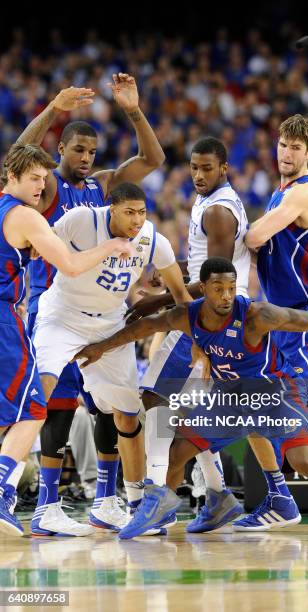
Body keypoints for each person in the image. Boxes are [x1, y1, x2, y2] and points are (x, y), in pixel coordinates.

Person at [73, 257, 308, 538]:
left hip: (276, 392)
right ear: (203, 287)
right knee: (177, 452)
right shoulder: (189, 316)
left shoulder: (257, 314)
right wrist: (101, 347)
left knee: (303, 462)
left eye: (231, 287)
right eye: (218, 288)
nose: (227, 295)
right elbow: (144, 327)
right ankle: (160, 511)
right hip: (233, 400)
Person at [15, 74, 165, 536]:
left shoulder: (104, 186)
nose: (85, 158)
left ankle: (105, 500)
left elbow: (154, 159)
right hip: (52, 303)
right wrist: (53, 108)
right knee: (55, 406)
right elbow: (17, 157)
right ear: (60, 150)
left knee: (107, 408)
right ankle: (46, 505)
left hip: (101, 311)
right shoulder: (45, 188)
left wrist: (133, 110)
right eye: (77, 150)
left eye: (91, 152)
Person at [31, 182, 193, 536]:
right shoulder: (80, 220)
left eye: (142, 212)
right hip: (63, 316)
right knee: (41, 392)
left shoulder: (153, 240)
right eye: (129, 212)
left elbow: (181, 295)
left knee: (127, 410)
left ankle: (131, 504)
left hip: (110, 325)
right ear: (111, 209)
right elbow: (34, 247)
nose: (137, 220)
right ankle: (38, 505)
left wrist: (200, 339)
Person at [0, 143, 133, 537]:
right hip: (5, 320)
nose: (42, 186)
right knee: (34, 410)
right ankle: (3, 492)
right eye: (35, 179)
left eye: (45, 178)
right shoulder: (24, 215)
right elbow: (72, 266)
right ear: (13, 176)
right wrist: (112, 245)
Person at [125, 137, 251, 532]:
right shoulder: (208, 201)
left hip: (210, 316)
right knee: (188, 412)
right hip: (220, 318)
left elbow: (216, 280)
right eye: (194, 167)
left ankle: (157, 496)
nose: (198, 175)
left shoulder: (217, 211)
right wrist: (171, 270)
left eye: (207, 168)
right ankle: (218, 495)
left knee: (154, 396)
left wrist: (157, 301)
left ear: (224, 168)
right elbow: (201, 264)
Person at [237, 114, 308, 530]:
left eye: (296, 148)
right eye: (283, 144)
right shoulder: (280, 192)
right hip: (282, 319)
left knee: (278, 410)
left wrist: (237, 231)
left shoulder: (304, 194)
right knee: (261, 406)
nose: (286, 152)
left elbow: (254, 238)